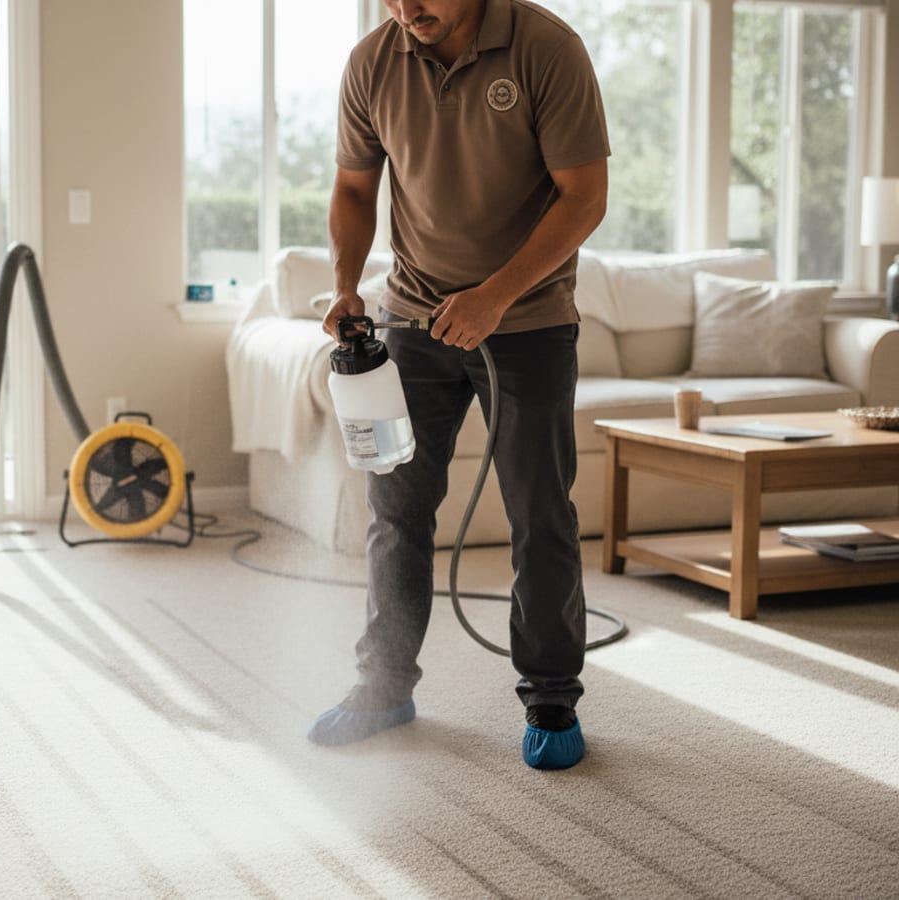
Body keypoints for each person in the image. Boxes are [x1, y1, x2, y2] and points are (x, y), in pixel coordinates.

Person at [309, 0, 609, 770]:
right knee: (396, 508)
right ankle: (384, 685)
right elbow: (354, 189)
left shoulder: (547, 48)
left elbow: (584, 195)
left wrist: (495, 296)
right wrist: (346, 285)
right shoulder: (373, 62)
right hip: (412, 319)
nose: (406, 8)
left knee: (539, 511)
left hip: (529, 320)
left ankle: (552, 695)